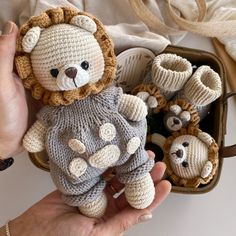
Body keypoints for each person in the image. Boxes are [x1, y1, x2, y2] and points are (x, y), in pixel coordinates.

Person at [0, 22, 171, 236]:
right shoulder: (53, 112)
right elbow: (36, 134)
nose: (72, 73)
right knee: (76, 177)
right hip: (78, 159)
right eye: (54, 71)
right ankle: (89, 195)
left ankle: (136, 176)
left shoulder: (104, 94)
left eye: (84, 64)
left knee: (132, 153)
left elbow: (124, 102)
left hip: (119, 142)